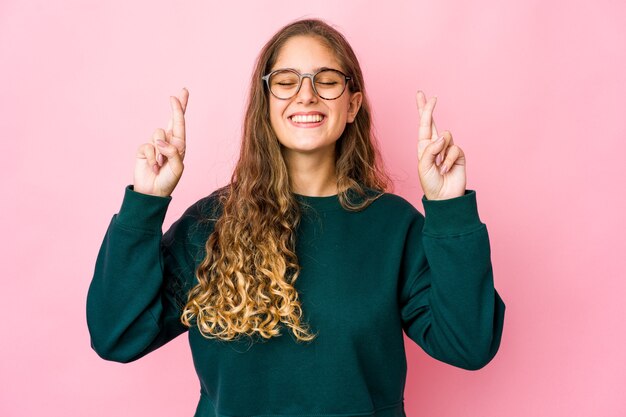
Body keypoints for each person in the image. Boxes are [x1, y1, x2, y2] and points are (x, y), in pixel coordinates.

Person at [87, 18, 505, 417]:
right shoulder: (209, 224)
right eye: (286, 82)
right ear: (266, 103)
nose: (306, 95)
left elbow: (468, 344)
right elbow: (117, 336)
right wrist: (146, 201)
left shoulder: (395, 227)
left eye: (326, 81)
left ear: (352, 104)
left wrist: (450, 208)